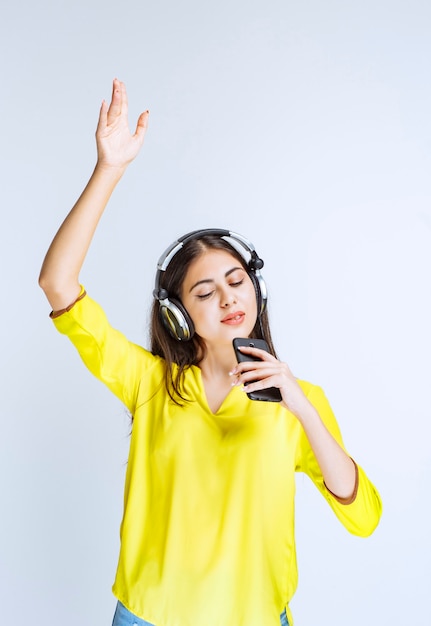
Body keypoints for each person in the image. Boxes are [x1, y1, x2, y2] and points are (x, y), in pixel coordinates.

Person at [39, 79, 382, 626]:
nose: (227, 298)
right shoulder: (149, 384)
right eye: (204, 291)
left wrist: (297, 402)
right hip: (150, 617)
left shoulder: (298, 403)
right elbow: (58, 283)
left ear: (256, 290)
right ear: (179, 316)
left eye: (236, 281)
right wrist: (109, 170)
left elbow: (362, 516)